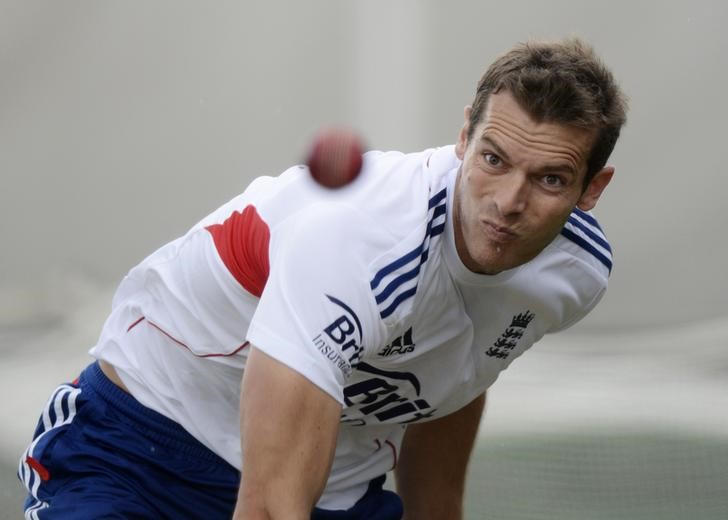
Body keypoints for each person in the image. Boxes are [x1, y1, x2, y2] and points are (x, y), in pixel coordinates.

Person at [18, 37, 627, 519]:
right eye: (493, 160)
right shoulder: (359, 241)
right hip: (142, 446)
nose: (508, 202)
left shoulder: (574, 273)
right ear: (464, 137)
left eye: (549, 179)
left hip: (335, 486)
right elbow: (268, 506)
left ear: (591, 189)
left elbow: (455, 375)